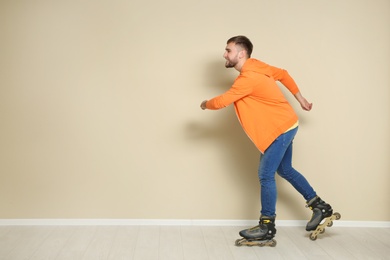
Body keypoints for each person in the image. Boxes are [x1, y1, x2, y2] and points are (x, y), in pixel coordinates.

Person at [200, 35, 333, 242]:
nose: (224, 54)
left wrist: (205, 103)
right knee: (285, 169)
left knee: (265, 174)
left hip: (280, 129)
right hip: (287, 124)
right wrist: (301, 99)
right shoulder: (257, 66)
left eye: (228, 50)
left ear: (241, 53)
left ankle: (267, 226)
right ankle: (320, 206)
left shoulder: (247, 79)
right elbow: (283, 74)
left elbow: (222, 101)